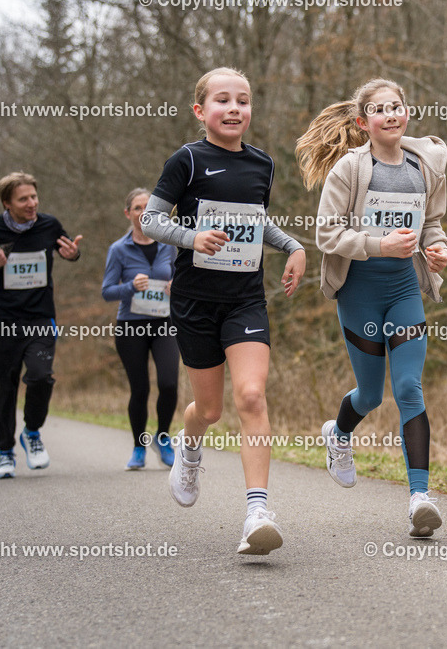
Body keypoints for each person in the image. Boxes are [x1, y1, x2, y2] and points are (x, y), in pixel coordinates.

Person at [142, 67, 305, 555]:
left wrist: (292, 245)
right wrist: (191, 237)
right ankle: (189, 448)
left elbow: (256, 223)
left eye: (243, 101)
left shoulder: (263, 164)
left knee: (251, 397)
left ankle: (257, 513)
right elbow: (151, 220)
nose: (234, 108)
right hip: (194, 301)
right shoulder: (187, 161)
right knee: (209, 410)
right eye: (223, 100)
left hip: (245, 298)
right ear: (201, 110)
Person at [296, 78, 447, 538]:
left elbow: (433, 224)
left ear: (407, 113)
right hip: (359, 292)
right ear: (363, 123)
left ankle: (420, 498)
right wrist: (378, 245)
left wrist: (439, 249)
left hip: (404, 290)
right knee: (370, 395)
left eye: (396, 106)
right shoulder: (350, 169)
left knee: (408, 388)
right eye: (379, 109)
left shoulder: (425, 166)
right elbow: (327, 234)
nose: (390, 114)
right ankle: (339, 434)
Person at [0, 172, 82, 479]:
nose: (32, 203)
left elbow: (68, 250)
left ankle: (32, 432)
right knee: (1, 386)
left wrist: (74, 255)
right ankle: (5, 450)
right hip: (0, 320)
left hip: (39, 317)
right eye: (23, 199)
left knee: (40, 376)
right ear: (7, 203)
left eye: (34, 196)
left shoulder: (49, 225)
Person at [102, 187, 179, 470]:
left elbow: (182, 277)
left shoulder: (169, 244)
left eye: (148, 206)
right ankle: (138, 446)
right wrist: (130, 287)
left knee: (169, 383)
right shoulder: (118, 249)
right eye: (137, 207)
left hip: (164, 323)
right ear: (128, 213)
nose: (144, 212)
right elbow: (107, 291)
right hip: (131, 326)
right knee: (140, 388)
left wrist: (176, 286)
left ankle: (162, 437)